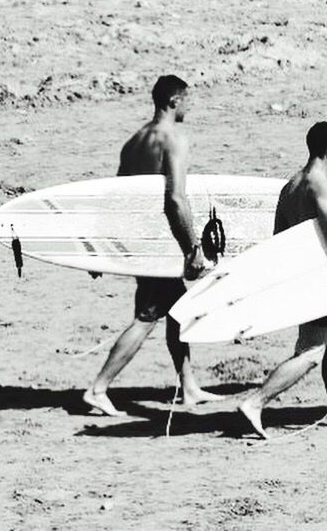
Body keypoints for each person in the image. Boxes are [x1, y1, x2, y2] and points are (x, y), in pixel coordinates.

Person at [83, 75, 222, 416]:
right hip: (159, 242)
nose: (191, 106)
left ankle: (188, 386)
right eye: (187, 99)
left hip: (139, 240)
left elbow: (115, 199)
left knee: (177, 310)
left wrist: (102, 248)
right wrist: (192, 248)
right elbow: (176, 198)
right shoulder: (173, 138)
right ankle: (98, 388)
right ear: (174, 101)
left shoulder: (134, 142)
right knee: (147, 317)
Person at [239, 121, 327, 439]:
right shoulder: (322, 185)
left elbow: (278, 239)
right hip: (319, 278)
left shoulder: (290, 186)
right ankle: (255, 402)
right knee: (312, 352)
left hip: (300, 275)